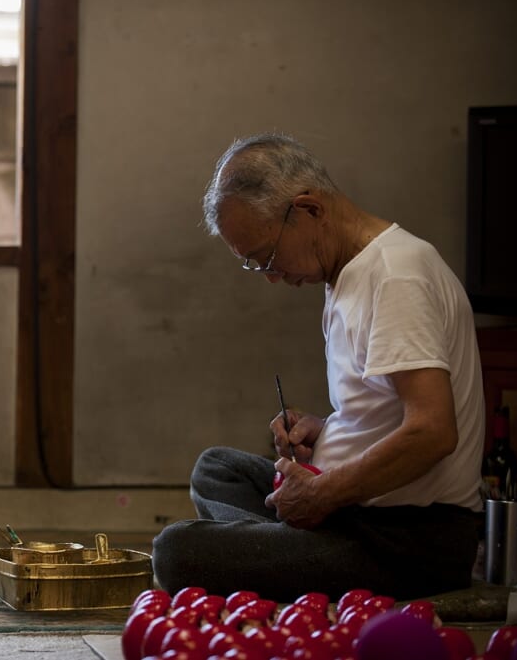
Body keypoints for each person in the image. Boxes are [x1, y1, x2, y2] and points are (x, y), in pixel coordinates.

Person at [151, 133, 485, 602]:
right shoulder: (347, 275)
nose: (270, 276)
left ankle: (296, 548)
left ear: (308, 209)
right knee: (218, 468)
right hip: (358, 513)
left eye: (266, 256)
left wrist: (323, 495)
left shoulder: (396, 275)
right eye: (253, 265)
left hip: (407, 540)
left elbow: (432, 432)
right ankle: (296, 548)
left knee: (175, 551)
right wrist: (326, 431)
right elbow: (391, 408)